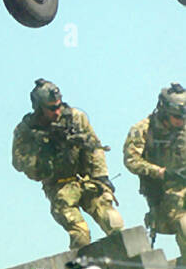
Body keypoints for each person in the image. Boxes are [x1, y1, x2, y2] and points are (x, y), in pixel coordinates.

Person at [12, 79, 123, 250]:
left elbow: (95, 147)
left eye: (59, 105)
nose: (57, 111)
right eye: (51, 108)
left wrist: (102, 176)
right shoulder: (26, 130)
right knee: (81, 235)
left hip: (86, 180)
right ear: (39, 108)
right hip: (59, 188)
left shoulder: (75, 118)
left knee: (114, 222)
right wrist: (43, 157)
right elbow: (18, 161)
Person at [124, 83, 186, 259]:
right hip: (166, 194)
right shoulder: (144, 130)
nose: (181, 121)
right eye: (176, 117)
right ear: (165, 112)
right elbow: (131, 160)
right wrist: (161, 172)